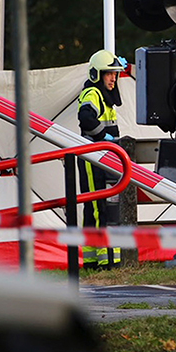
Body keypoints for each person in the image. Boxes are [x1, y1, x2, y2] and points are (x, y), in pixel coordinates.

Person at [77, 49, 126, 269]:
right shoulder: (92, 94)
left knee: (96, 208)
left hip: (103, 157)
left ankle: (92, 259)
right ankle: (107, 260)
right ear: (97, 74)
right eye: (109, 74)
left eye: (115, 74)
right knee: (99, 208)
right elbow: (86, 118)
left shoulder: (103, 97)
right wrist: (101, 137)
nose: (113, 79)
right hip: (93, 158)